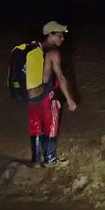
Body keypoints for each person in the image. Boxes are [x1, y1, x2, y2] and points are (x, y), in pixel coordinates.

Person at [24, 21, 78, 166]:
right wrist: (70, 99)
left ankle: (35, 160)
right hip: (45, 96)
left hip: (30, 96)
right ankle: (50, 159)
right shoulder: (53, 53)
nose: (62, 39)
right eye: (60, 35)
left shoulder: (32, 48)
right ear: (51, 35)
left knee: (34, 126)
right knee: (51, 126)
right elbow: (60, 77)